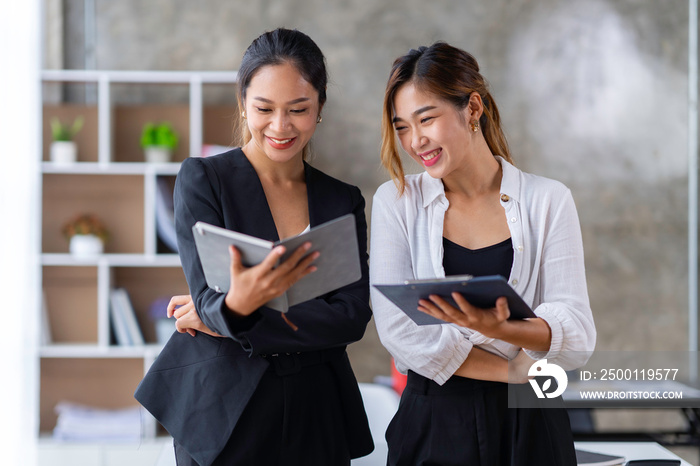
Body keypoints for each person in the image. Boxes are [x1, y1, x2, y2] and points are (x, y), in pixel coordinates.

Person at [134, 28, 374, 466]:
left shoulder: (342, 200)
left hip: (315, 411)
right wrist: (225, 311)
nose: (280, 127)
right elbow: (210, 300)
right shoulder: (204, 180)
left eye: (298, 110)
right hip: (224, 411)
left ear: (319, 107)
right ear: (243, 103)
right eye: (264, 108)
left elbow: (350, 317)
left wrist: (238, 318)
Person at [369, 42, 596, 465]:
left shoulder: (548, 200)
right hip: (435, 419)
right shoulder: (396, 202)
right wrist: (509, 366)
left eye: (427, 119)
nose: (415, 141)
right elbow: (399, 330)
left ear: (472, 108)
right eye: (401, 127)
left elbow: (577, 334)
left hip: (532, 422)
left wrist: (500, 329)